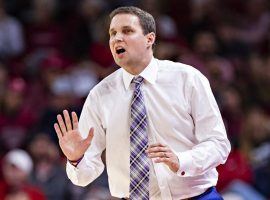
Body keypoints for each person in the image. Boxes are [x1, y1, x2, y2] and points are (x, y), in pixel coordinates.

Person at [54, 6, 231, 200]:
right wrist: (76, 159)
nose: (117, 38)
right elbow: (85, 175)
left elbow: (218, 144)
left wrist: (182, 160)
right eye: (112, 33)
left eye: (127, 31)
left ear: (150, 39)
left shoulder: (187, 78)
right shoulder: (100, 94)